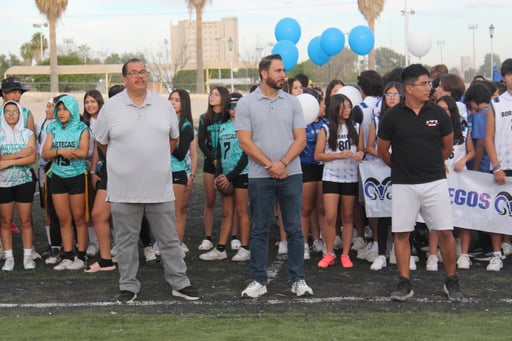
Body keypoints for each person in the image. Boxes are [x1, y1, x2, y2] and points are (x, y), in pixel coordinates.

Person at [94, 58, 199, 303]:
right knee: (126, 242)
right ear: (124, 79)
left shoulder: (164, 106)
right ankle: (128, 286)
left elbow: (172, 140)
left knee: (169, 239)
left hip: (159, 188)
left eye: (143, 72)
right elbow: (101, 142)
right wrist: (125, 163)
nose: (140, 76)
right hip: (123, 189)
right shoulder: (110, 108)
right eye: (134, 73)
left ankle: (180, 283)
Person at [377, 64, 463, 302]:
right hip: (404, 183)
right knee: (402, 233)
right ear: (409, 88)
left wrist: (429, 164)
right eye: (424, 84)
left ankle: (451, 280)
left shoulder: (437, 113)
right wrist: (403, 166)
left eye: (429, 83)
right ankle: (404, 283)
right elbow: (383, 150)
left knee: (444, 231)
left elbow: (447, 147)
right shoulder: (391, 117)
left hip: (435, 181)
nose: (430, 87)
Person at [236, 54, 313, 298]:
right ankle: (259, 280)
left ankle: (298, 279)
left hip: (291, 174)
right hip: (260, 176)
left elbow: (301, 139)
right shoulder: (246, 103)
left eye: (283, 70)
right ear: (264, 73)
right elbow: (244, 141)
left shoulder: (292, 102)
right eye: (278, 70)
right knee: (259, 229)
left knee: (294, 229)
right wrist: (271, 165)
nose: (283, 75)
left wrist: (282, 163)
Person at [314, 94, 364, 269]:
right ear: (336, 109)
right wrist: (338, 155)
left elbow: (362, 150)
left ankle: (345, 253)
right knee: (330, 216)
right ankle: (329, 252)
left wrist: (360, 154)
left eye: (349, 106)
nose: (348, 110)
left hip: (350, 177)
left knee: (348, 216)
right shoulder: (326, 129)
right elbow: (318, 155)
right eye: (344, 107)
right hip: (331, 176)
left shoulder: (357, 127)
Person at [200, 93, 251, 262]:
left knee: (242, 211)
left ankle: (244, 247)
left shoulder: (247, 127)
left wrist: (231, 175)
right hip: (226, 175)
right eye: (230, 106)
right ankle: (221, 248)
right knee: (227, 213)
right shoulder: (223, 127)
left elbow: (246, 155)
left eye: (237, 106)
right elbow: (220, 154)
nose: (233, 110)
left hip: (241, 173)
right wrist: (219, 175)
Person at [42, 95, 90, 271]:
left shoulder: (82, 128)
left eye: (65, 109)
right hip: (58, 177)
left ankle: (82, 255)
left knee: (79, 217)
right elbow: (45, 153)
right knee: (63, 219)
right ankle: (68, 255)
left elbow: (84, 151)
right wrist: (60, 151)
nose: (61, 113)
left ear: (72, 110)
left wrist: (65, 151)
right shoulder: (53, 127)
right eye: (59, 109)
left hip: (77, 176)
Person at [365, 81, 404, 271]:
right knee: (382, 213)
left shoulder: (409, 117)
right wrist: (384, 155)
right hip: (381, 170)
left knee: (403, 212)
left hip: (404, 169)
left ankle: (403, 251)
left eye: (396, 94)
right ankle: (381, 253)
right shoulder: (377, 119)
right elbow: (369, 146)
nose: (392, 97)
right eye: (389, 94)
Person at [0, 101, 37, 271]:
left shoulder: (28, 133)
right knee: (6, 221)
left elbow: (31, 159)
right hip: (3, 183)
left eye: (15, 111)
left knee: (26, 220)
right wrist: (18, 154)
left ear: (20, 114)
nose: (11, 115)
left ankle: (27, 256)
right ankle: (9, 257)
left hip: (24, 181)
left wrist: (7, 162)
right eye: (7, 112)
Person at [484, 58, 512, 272]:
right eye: (510, 74)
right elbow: (488, 138)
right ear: (504, 77)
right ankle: (496, 254)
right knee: (498, 211)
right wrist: (496, 166)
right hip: (503, 165)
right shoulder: (496, 103)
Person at [197, 86, 229, 251]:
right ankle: (208, 237)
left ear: (223, 98)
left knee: (228, 202)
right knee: (209, 201)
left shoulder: (228, 118)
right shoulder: (204, 118)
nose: (212, 96)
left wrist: (222, 161)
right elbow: (201, 142)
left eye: (216, 94)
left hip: (227, 163)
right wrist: (213, 159)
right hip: (211, 163)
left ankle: (234, 236)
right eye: (211, 94)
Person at [169, 89, 195, 252]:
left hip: (177, 172)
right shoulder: (163, 122)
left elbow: (180, 153)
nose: (172, 102)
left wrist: (165, 140)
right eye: (171, 99)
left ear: (184, 103)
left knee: (176, 212)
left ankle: (177, 245)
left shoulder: (186, 126)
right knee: (162, 214)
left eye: (177, 100)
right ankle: (164, 244)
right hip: (160, 173)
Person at [82, 90, 105, 258]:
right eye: (87, 102)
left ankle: (110, 240)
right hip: (85, 166)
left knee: (104, 206)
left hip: (104, 167)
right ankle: (93, 242)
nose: (89, 105)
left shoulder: (105, 120)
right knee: (89, 206)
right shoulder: (82, 123)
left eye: (93, 101)